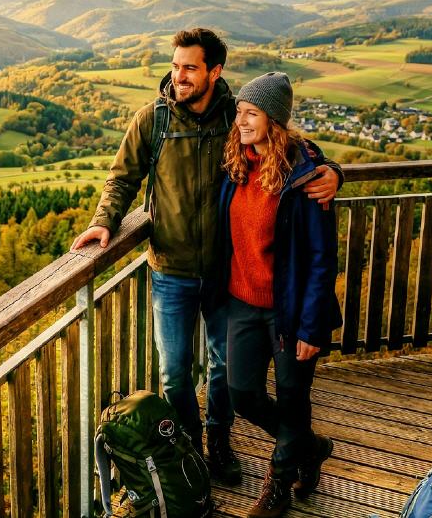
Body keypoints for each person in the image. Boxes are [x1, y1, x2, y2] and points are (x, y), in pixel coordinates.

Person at [71, 28, 342, 486]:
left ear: (214, 72)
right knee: (175, 373)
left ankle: (219, 440)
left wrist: (333, 171)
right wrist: (104, 221)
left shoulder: (235, 117)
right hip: (170, 269)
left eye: (190, 68)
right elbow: (122, 178)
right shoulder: (153, 120)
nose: (179, 76)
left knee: (223, 369)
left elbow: (292, 148)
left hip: (224, 273)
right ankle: (189, 450)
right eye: (176, 66)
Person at [214, 72, 343, 517]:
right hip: (242, 302)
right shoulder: (236, 163)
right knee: (242, 393)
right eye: (239, 112)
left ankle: (279, 482)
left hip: (289, 311)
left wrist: (311, 326)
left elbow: (322, 258)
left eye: (251, 114)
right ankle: (309, 446)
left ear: (275, 120)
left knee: (292, 396)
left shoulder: (305, 176)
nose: (241, 121)